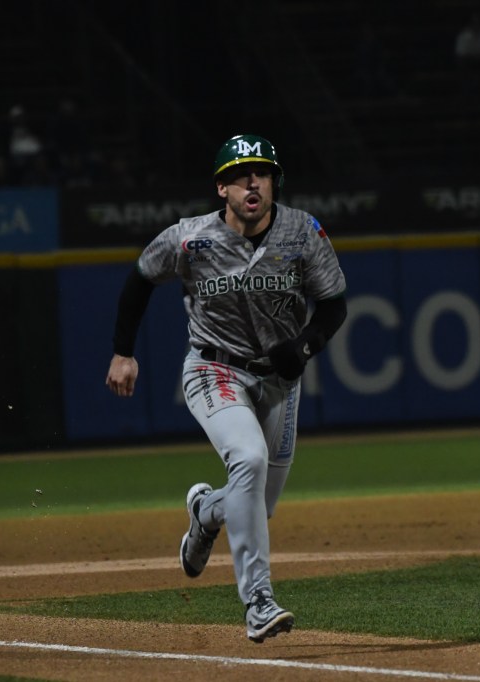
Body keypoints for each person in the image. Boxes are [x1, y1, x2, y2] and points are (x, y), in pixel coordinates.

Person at [105, 134, 348, 642]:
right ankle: (258, 601)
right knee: (249, 462)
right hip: (215, 370)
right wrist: (123, 351)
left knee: (256, 505)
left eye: (262, 172)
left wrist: (303, 348)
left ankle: (203, 513)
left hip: (280, 381)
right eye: (240, 175)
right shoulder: (189, 238)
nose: (253, 181)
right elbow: (139, 279)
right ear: (223, 188)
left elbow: (333, 305)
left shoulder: (302, 231)